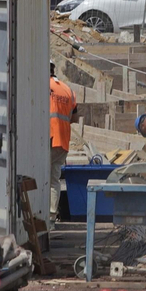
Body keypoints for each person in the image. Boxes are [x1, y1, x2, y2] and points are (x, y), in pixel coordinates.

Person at [48, 63, 79, 219]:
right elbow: (74, 117)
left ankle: (39, 216)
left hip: (48, 139)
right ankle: (52, 216)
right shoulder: (68, 90)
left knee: (38, 177)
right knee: (54, 179)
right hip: (63, 141)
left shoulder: (43, 86)